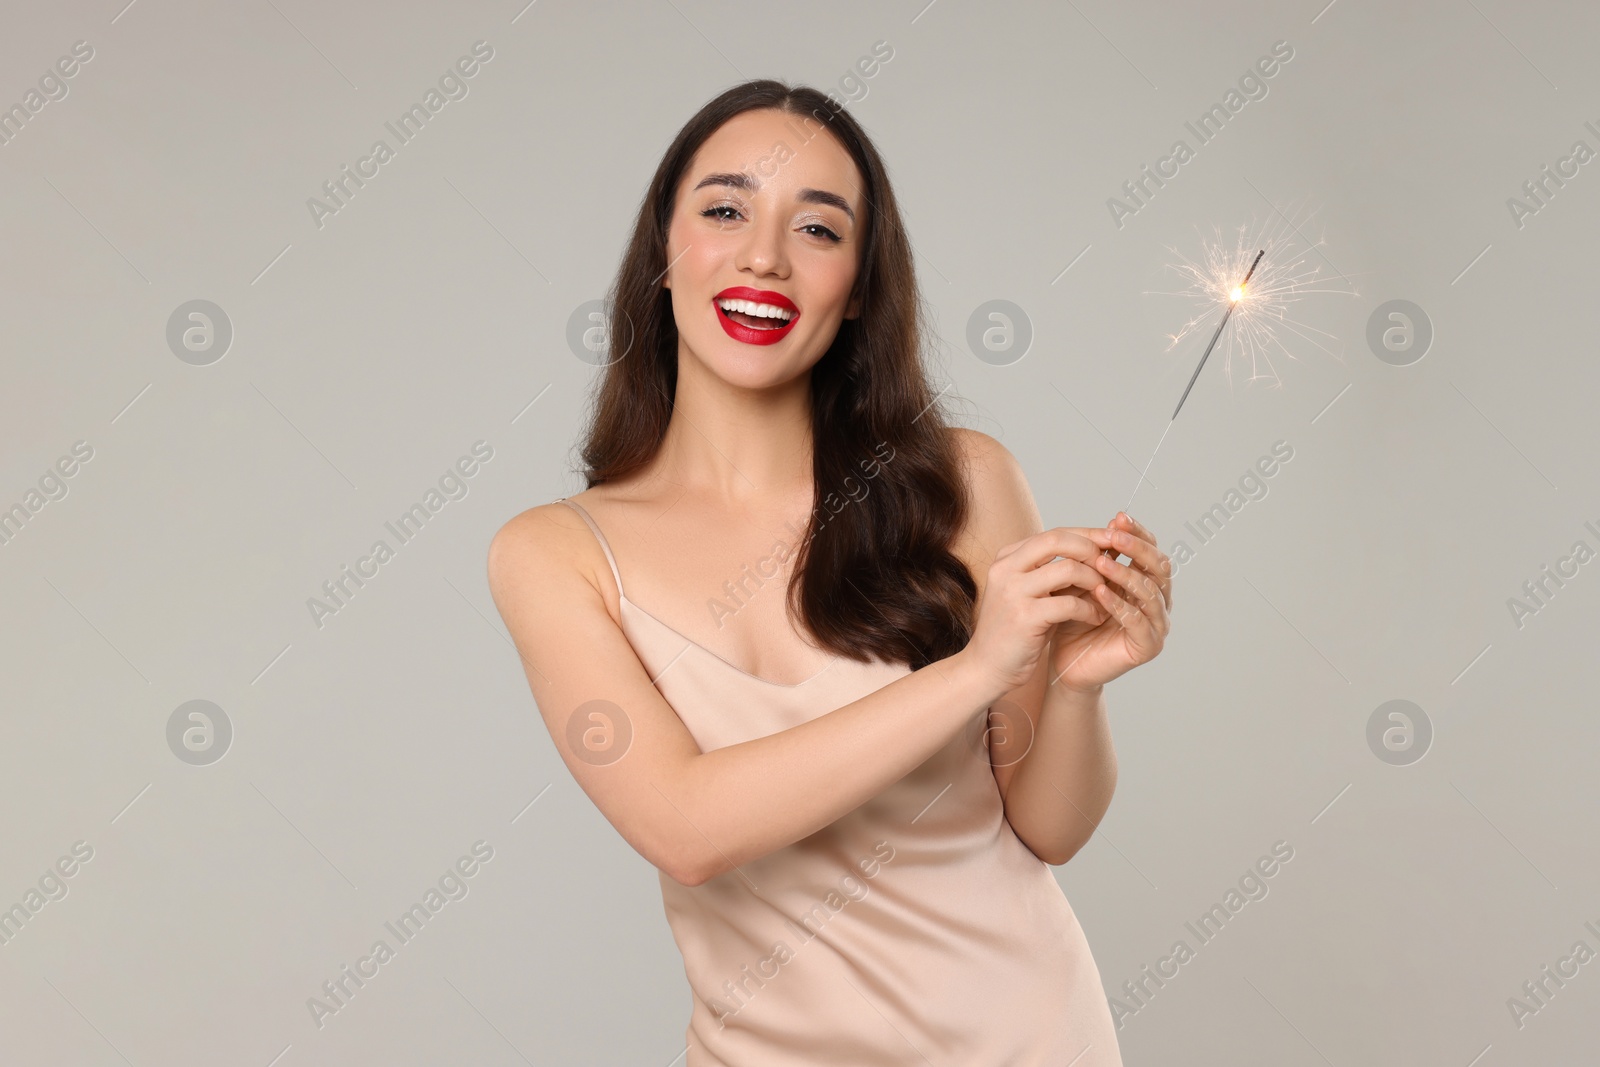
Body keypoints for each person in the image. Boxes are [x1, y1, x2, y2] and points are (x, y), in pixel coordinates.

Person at [487, 78, 1172, 1066]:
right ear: (662, 257)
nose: (763, 254)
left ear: (856, 288)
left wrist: (1070, 686)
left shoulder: (966, 481)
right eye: (724, 211)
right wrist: (975, 670)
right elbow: (684, 825)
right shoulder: (554, 552)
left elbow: (1049, 827)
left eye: (817, 229)